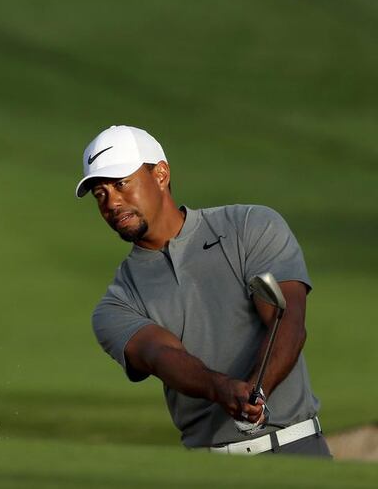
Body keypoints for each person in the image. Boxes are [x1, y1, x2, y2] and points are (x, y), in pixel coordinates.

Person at [77, 125, 331, 457]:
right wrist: (221, 389)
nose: (111, 202)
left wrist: (259, 391)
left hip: (296, 450)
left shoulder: (250, 226)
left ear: (161, 174)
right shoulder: (116, 304)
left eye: (121, 184)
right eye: (100, 193)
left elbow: (289, 322)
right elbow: (162, 357)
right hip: (211, 469)